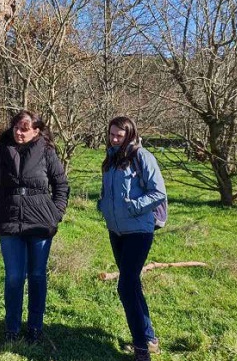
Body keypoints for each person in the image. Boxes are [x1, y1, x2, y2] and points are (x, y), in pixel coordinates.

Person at [0, 110, 69, 343]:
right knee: (14, 276)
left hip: (40, 221)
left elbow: (60, 183)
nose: (19, 133)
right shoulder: (2, 150)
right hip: (9, 219)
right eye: (16, 128)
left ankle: (35, 327)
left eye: (24, 129)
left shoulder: (46, 151)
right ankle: (12, 327)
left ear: (36, 130)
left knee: (37, 275)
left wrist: (56, 212)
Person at [97, 116, 167, 361]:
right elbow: (108, 191)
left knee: (125, 286)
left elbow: (158, 192)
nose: (115, 139)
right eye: (112, 134)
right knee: (133, 284)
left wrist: (134, 206)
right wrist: (103, 205)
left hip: (139, 231)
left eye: (119, 135)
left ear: (129, 134)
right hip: (116, 231)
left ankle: (141, 349)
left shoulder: (142, 156)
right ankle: (149, 337)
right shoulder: (110, 158)